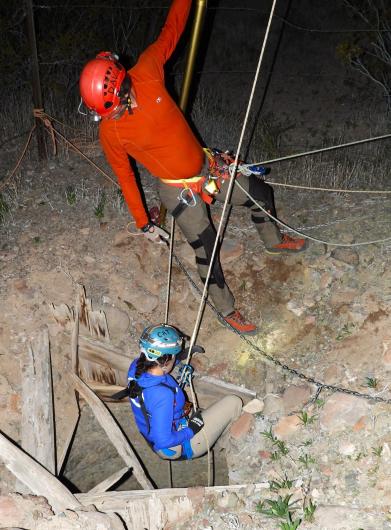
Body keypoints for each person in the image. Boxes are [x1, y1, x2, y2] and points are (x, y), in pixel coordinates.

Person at [79, 0, 307, 335]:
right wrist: (144, 223)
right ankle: (226, 309)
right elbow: (125, 176)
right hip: (177, 190)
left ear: (122, 86)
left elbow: (173, 29)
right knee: (207, 247)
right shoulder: (110, 133)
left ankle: (273, 240)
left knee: (260, 192)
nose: (109, 117)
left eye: (109, 110)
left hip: (209, 166)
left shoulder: (148, 70)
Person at [123, 323, 242, 460]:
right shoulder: (162, 395)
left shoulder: (136, 367)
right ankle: (227, 441)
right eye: (175, 355)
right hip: (178, 444)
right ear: (166, 360)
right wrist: (192, 429)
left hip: (154, 430)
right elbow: (163, 441)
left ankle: (216, 432)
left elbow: (159, 365)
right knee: (234, 402)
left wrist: (180, 356)